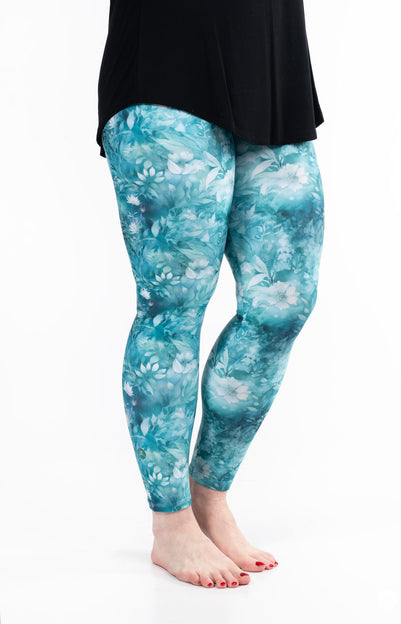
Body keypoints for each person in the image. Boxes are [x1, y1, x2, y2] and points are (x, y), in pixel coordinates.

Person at [96, 0, 325, 589]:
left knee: (283, 304)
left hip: (271, 60)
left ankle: (209, 495)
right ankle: (170, 522)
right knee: (174, 306)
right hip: (166, 64)